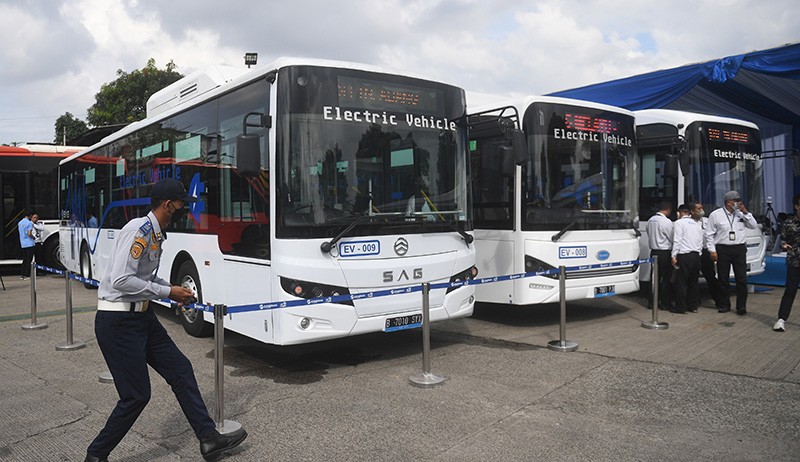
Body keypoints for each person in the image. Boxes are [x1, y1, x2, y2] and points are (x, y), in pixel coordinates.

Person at [84, 178, 247, 462]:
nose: (186, 209)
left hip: (142, 317)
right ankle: (96, 455)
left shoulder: (156, 234)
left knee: (180, 369)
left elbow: (143, 277)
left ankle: (208, 439)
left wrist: (172, 290)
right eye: (183, 204)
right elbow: (121, 280)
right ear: (169, 205)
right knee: (136, 395)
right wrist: (168, 291)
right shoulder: (139, 230)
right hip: (118, 322)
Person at [706, 190, 758, 315]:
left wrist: (745, 212)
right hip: (723, 248)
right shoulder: (716, 215)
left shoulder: (741, 214)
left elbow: (753, 225)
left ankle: (741, 306)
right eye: (736, 201)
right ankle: (724, 304)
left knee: (741, 278)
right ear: (729, 202)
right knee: (723, 278)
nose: (739, 203)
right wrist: (712, 250)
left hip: (739, 248)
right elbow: (709, 234)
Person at [671, 202, 705, 314]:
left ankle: (681, 307)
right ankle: (693, 306)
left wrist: (673, 255)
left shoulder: (679, 223)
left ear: (679, 213)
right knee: (693, 282)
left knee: (682, 282)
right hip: (696, 255)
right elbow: (700, 241)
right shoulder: (697, 223)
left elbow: (677, 240)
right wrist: (699, 253)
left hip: (684, 255)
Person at [774, 194, 800, 331]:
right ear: (796, 206)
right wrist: (784, 245)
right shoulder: (789, 223)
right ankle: (781, 319)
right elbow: (782, 240)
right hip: (794, 260)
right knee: (790, 290)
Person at [646, 201, 674, 310]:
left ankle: (652, 302)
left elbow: (648, 233)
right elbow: (672, 237)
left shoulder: (650, 220)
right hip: (665, 252)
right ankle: (665, 303)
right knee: (666, 279)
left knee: (654, 278)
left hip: (654, 251)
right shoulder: (666, 222)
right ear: (668, 209)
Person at [17, 210, 35, 279]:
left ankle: (22, 274)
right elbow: (29, 233)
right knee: (29, 260)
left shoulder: (20, 223)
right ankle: (27, 274)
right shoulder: (29, 223)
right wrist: (33, 237)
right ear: (30, 215)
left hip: (23, 243)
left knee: (25, 259)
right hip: (29, 243)